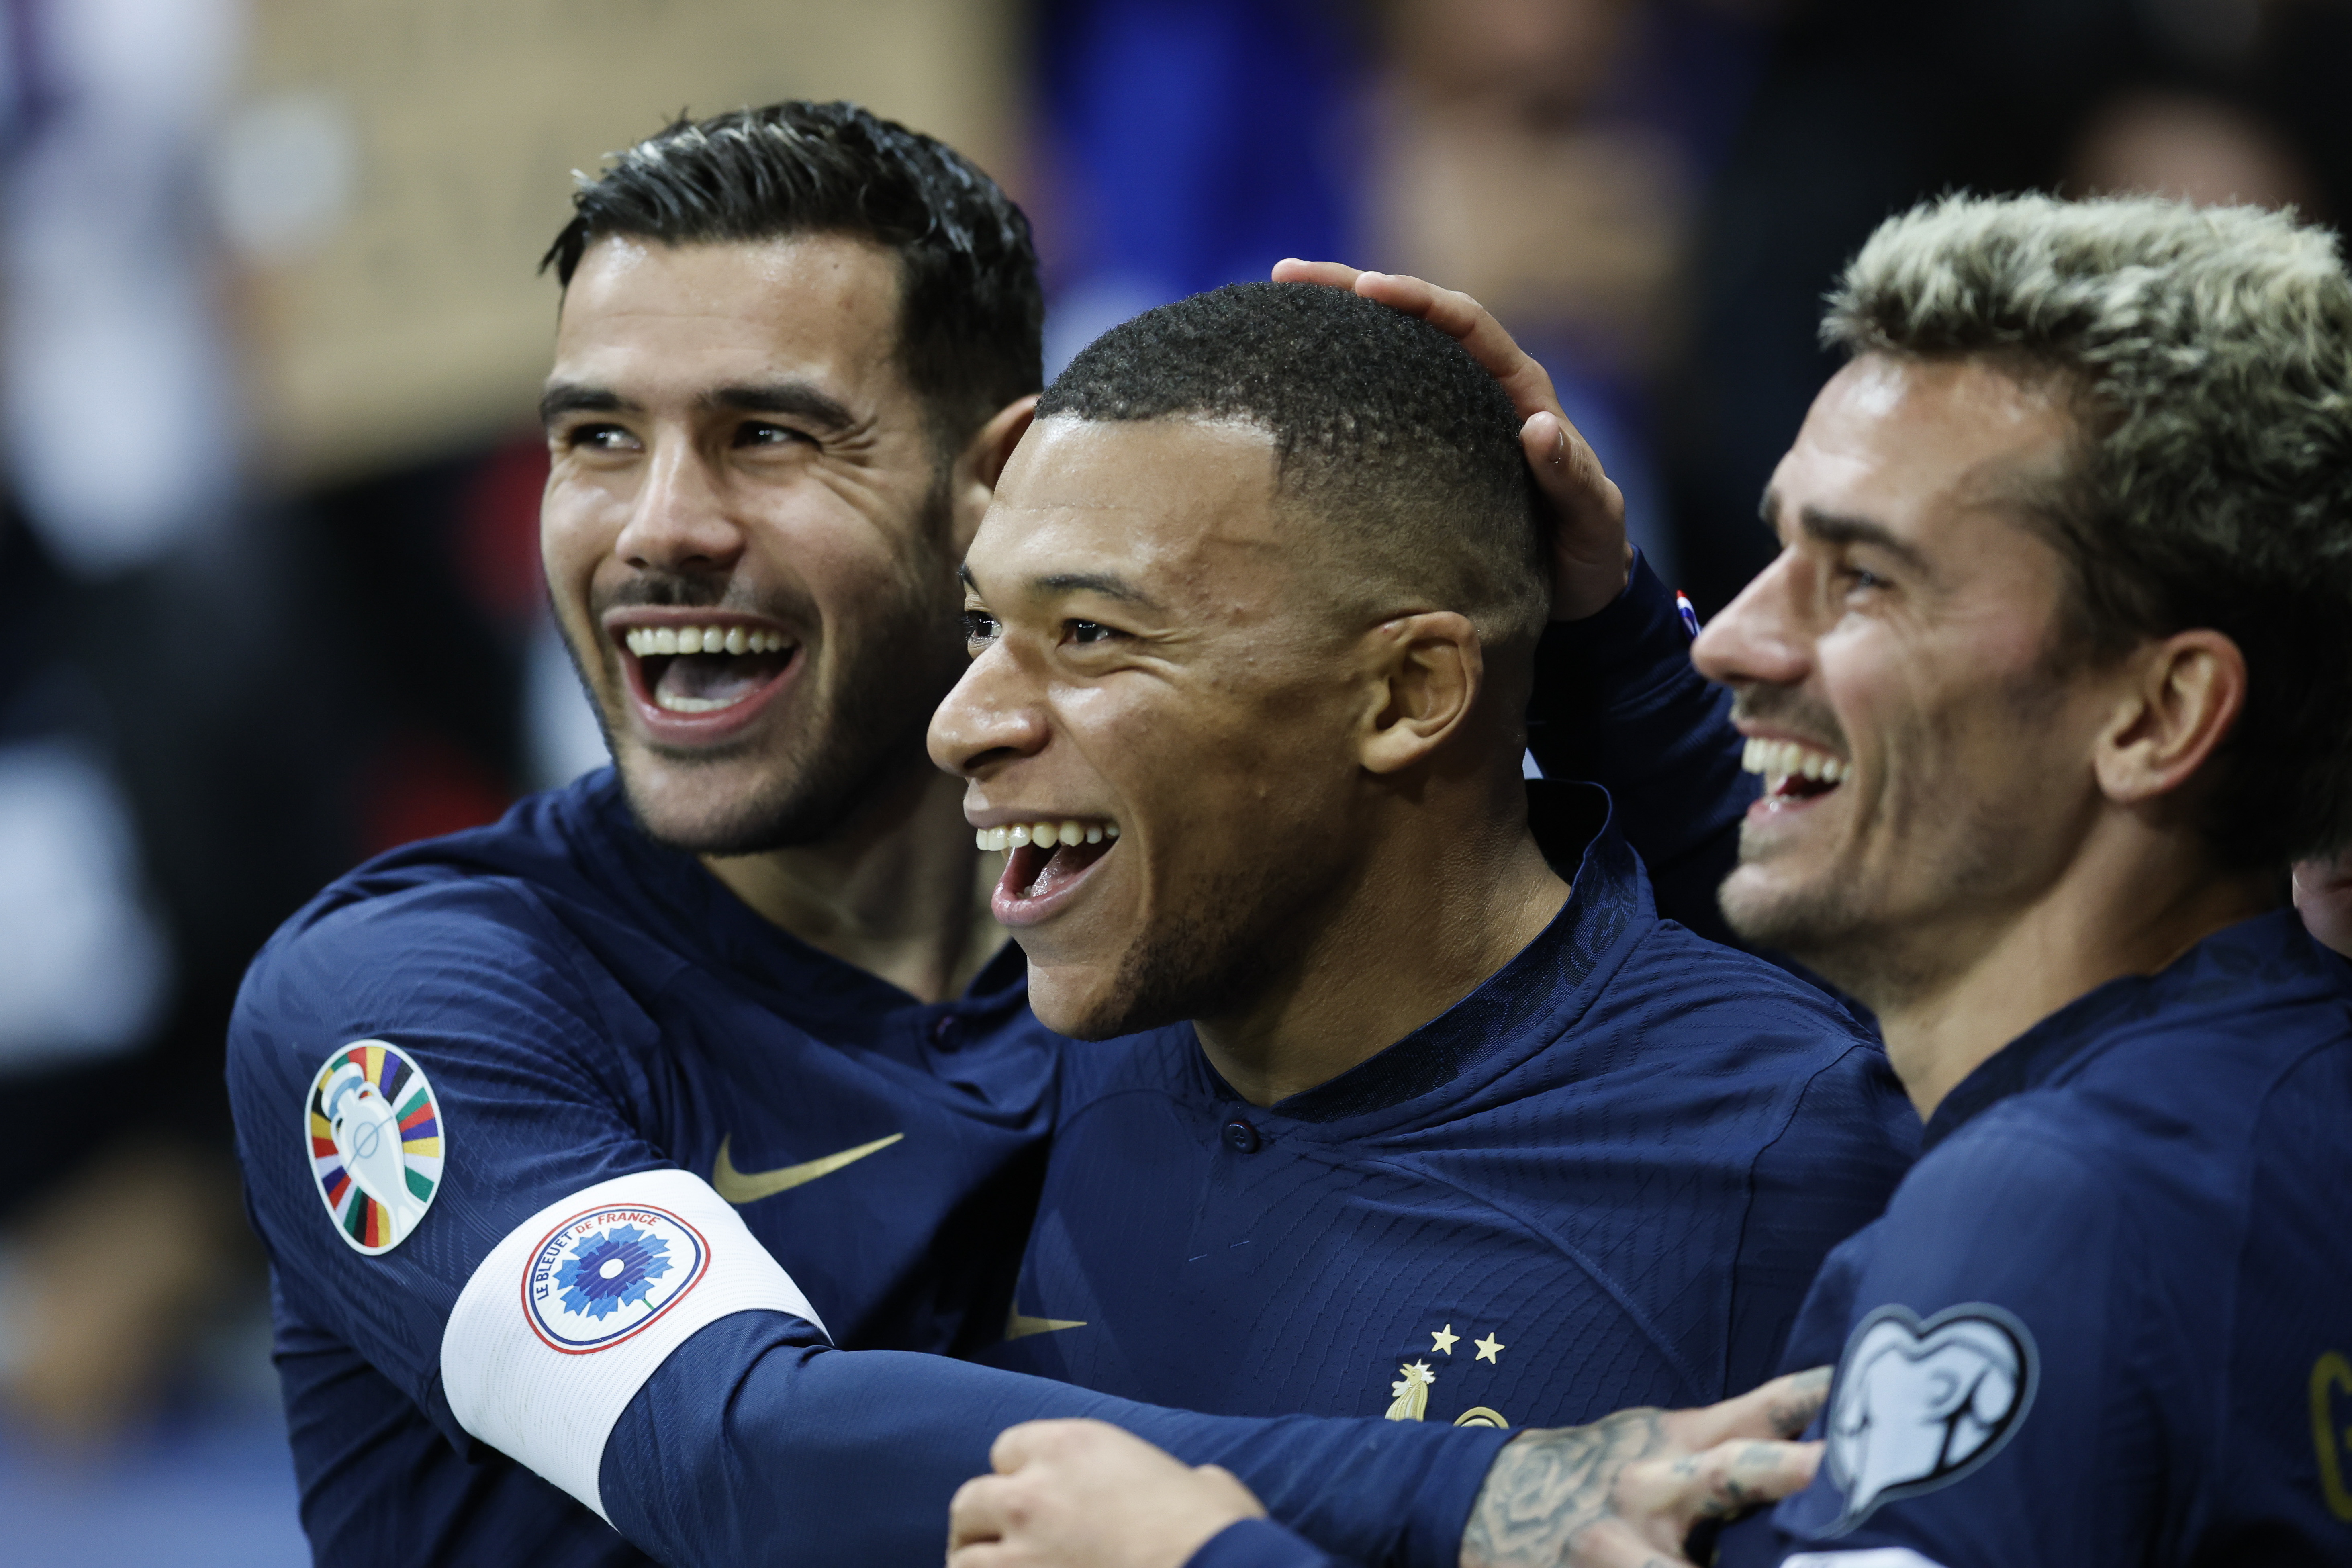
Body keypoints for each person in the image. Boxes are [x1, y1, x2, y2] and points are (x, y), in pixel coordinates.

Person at [225, 102, 1849, 1567]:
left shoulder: (1160, 936)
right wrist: (1474, 1490)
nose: (660, 527)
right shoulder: (414, 999)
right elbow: (732, 1450)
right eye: (595, 439)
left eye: (770, 436)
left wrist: (1615, 642)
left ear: (998, 476)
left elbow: (1843, 1005)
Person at [952, 194, 2352, 1567]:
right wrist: (1617, 636)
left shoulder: (2018, 1198)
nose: (1729, 635)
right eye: (1782, 548)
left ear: (2159, 715)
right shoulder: (2276, 1104)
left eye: (1861, 577)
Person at [935, 282, 1911, 1437]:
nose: (962, 723)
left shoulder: (1795, 1155)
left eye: (1090, 633)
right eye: (985, 627)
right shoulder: (1054, 1039)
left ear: (1411, 692)